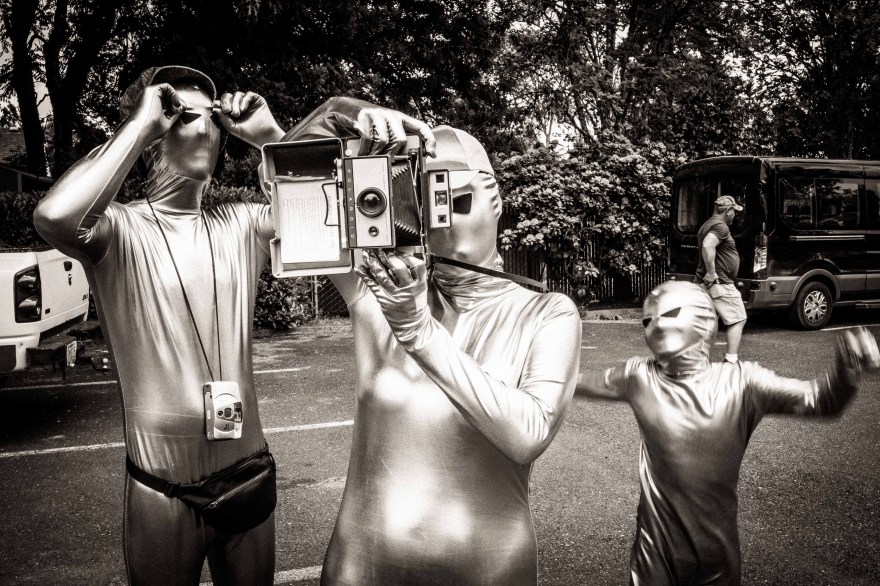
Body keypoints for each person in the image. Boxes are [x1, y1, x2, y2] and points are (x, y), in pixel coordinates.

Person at [33, 65, 434, 586]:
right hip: (161, 490)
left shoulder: (241, 224)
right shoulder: (117, 231)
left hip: (249, 473)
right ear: (153, 130)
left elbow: (325, 211)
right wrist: (137, 126)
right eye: (180, 117)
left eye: (211, 120)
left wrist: (287, 129)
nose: (203, 130)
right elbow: (54, 217)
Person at [257, 120, 581, 584]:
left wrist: (420, 332)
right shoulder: (380, 293)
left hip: (486, 568)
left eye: (458, 200)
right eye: (425, 204)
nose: (443, 224)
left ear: (495, 199)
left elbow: (527, 434)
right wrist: (354, 112)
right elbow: (292, 184)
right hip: (363, 563)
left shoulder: (548, 313)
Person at [575, 280, 880, 586]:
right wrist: (536, 369)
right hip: (655, 550)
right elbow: (573, 381)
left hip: (715, 554)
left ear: (702, 320)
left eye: (669, 313)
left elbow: (820, 400)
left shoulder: (742, 384)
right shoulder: (640, 376)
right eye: (648, 320)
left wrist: (847, 371)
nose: (655, 324)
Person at [695, 195, 748, 363]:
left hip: (705, 283)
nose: (735, 215)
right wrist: (711, 273)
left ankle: (697, 360)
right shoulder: (721, 226)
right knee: (738, 318)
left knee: (707, 322)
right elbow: (707, 246)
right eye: (734, 211)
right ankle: (731, 361)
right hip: (719, 283)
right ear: (727, 210)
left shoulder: (707, 224)